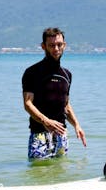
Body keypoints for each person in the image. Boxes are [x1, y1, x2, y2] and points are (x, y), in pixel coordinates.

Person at [22, 27, 86, 160]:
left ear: (64, 45)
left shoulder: (67, 75)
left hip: (61, 135)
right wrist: (46, 121)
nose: (56, 49)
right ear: (43, 46)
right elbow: (28, 103)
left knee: (60, 173)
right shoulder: (32, 72)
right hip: (39, 134)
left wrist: (77, 125)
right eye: (51, 45)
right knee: (38, 173)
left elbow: (66, 105)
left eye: (59, 45)